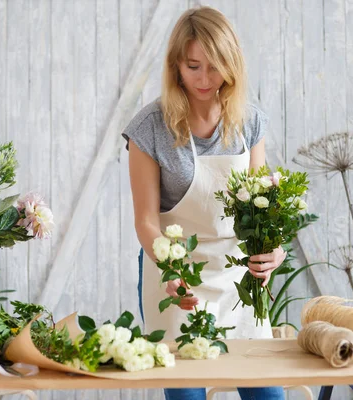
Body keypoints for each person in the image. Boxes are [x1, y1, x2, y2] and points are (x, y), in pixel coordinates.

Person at [123, 6, 287, 400]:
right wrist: (170, 270)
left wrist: (273, 249)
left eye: (215, 67)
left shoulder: (250, 122)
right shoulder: (149, 128)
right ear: (176, 65)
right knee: (187, 395)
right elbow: (146, 220)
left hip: (237, 277)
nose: (204, 79)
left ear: (232, 66)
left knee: (268, 394)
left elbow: (260, 209)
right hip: (176, 276)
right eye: (193, 66)